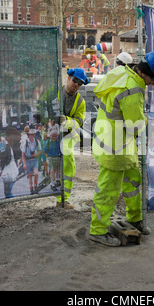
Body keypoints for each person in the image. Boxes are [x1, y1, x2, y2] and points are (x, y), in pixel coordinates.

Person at [89, 51, 154, 246]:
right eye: (153, 79)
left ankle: (134, 218)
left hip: (118, 142)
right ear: (145, 73)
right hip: (114, 147)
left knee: (133, 180)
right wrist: (146, 118)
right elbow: (135, 124)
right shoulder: (133, 89)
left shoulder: (122, 73)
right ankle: (98, 230)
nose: (153, 83)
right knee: (109, 189)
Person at [56, 68, 89, 209]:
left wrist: (66, 121)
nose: (76, 84)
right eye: (75, 80)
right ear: (68, 78)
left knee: (68, 164)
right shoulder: (55, 92)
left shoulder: (80, 101)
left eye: (80, 83)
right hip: (49, 133)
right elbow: (39, 107)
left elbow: (79, 121)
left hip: (67, 135)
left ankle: (62, 199)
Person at [1, 127, 22, 198]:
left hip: (8, 166)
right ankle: (9, 195)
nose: (4, 136)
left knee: (6, 186)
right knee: (11, 180)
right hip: (13, 166)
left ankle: (9, 196)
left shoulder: (7, 146)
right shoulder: (14, 145)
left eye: (5, 135)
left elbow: (5, 159)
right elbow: (18, 156)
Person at [22, 129, 41, 195]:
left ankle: (36, 185)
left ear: (34, 135)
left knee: (36, 173)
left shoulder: (36, 141)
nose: (31, 136)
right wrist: (24, 164)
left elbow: (40, 150)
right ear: (28, 135)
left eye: (32, 134)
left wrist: (37, 154)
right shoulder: (25, 143)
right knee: (30, 175)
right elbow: (23, 154)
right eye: (30, 134)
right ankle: (31, 188)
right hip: (28, 160)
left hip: (34, 159)